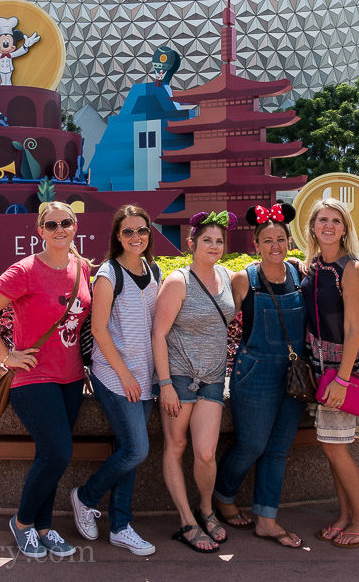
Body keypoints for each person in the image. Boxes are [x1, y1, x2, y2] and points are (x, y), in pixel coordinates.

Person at [0, 201, 91, 559]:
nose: (59, 230)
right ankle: (22, 523)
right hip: (33, 378)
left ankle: (45, 527)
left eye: (65, 223)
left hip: (71, 379)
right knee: (58, 453)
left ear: (75, 226)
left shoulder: (82, 267)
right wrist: (6, 356)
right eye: (51, 225)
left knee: (49, 456)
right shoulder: (25, 270)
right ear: (40, 230)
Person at [214, 202, 305, 549]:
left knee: (278, 449)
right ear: (255, 244)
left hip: (294, 376)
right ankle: (223, 495)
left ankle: (266, 518)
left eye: (281, 239)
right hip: (254, 373)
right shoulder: (244, 279)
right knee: (252, 444)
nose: (275, 246)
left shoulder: (299, 274)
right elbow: (219, 321)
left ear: (289, 242)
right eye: (267, 240)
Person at [70, 205, 159, 556]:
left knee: (130, 452)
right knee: (137, 449)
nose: (136, 237)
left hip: (147, 376)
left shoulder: (152, 270)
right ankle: (86, 496)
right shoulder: (108, 274)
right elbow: (98, 329)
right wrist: (125, 376)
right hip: (116, 376)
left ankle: (121, 526)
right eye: (128, 232)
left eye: (142, 230)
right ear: (117, 236)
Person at [152, 210, 238, 554]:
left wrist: (298, 266)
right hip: (181, 377)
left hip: (214, 378)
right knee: (176, 447)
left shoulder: (227, 276)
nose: (214, 246)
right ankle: (187, 520)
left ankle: (206, 508)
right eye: (207, 240)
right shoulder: (178, 282)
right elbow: (158, 334)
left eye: (219, 241)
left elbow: (262, 274)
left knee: (205, 453)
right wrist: (165, 384)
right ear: (192, 244)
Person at [301, 197, 359, 548]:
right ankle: (345, 516)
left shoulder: (352, 268)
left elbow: (354, 329)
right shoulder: (315, 265)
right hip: (318, 368)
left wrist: (344, 379)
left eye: (335, 220)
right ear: (313, 227)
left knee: (334, 448)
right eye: (322, 220)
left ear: (345, 228)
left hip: (341, 370)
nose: (328, 225)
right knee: (333, 446)